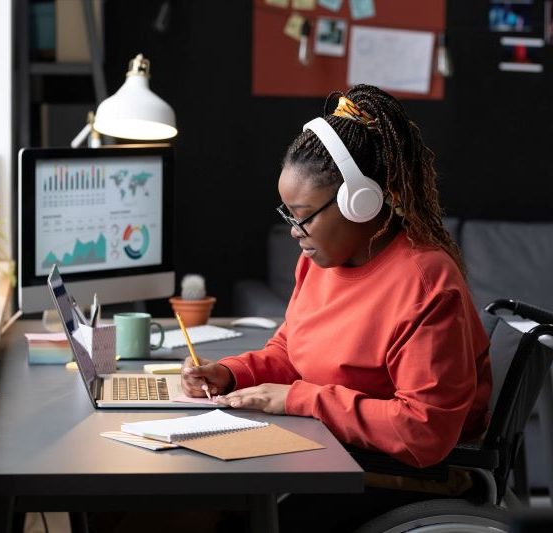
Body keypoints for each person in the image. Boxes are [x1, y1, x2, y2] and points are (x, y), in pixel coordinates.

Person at [181, 84, 492, 531]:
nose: (294, 231)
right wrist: (232, 373)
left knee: (222, 515)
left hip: (403, 475)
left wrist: (301, 399)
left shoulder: (426, 283)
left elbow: (424, 432)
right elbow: (291, 352)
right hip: (333, 452)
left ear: (360, 201)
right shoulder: (320, 262)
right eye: (287, 215)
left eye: (303, 215)